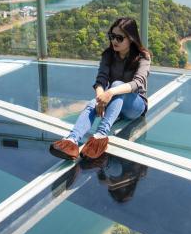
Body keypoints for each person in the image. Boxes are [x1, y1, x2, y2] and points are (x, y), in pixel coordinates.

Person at [49, 16, 151, 160]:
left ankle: (100, 135)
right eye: (112, 36)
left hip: (135, 106)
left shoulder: (143, 57)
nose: (114, 41)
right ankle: (71, 140)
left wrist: (110, 92)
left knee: (116, 85)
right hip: (115, 103)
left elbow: (137, 83)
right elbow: (101, 80)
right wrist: (100, 98)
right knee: (93, 104)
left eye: (119, 38)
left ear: (131, 38)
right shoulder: (108, 54)